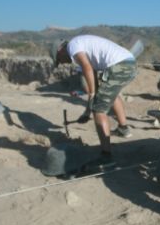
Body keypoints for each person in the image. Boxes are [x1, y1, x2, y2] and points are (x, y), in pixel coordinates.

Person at [54, 35, 138, 165]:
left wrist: (93, 98)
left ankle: (106, 156)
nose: (62, 63)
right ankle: (123, 129)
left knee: (99, 109)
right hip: (128, 62)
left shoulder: (73, 47)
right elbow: (92, 80)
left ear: (60, 50)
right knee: (109, 94)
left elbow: (88, 70)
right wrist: (87, 112)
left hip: (120, 66)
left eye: (59, 60)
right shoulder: (80, 48)